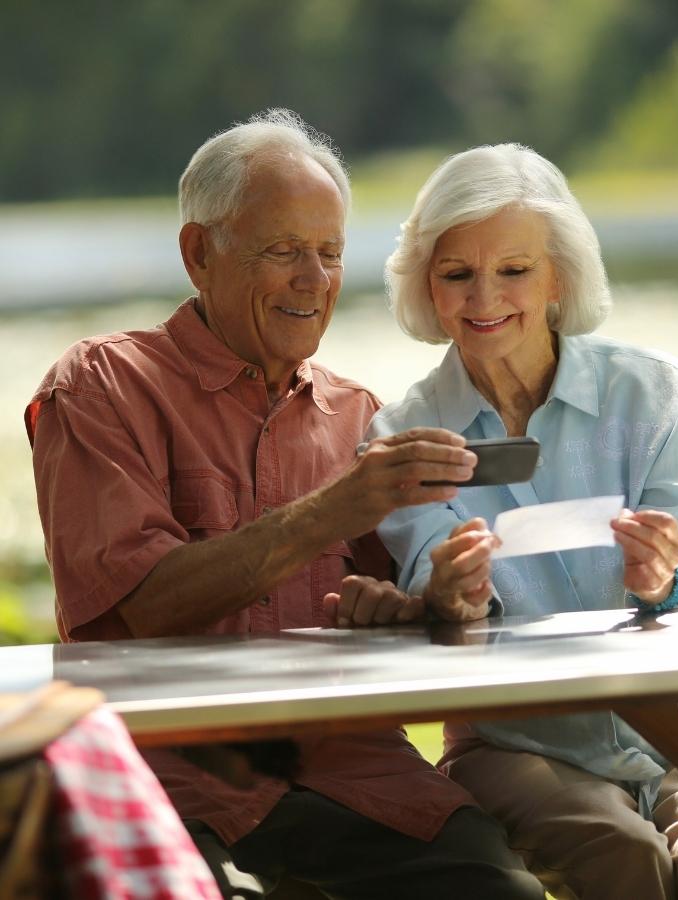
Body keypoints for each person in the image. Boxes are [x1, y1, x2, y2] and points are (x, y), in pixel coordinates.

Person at [25, 111, 545, 900]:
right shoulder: (101, 387)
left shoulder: (359, 414)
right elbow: (139, 605)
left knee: (497, 889)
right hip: (174, 778)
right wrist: (333, 511)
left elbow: (410, 607)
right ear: (200, 253)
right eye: (283, 251)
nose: (314, 279)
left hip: (358, 776)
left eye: (330, 254)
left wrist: (429, 598)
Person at [366, 143, 678, 900]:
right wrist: (454, 593)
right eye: (457, 273)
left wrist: (669, 575)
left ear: (559, 276)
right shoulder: (404, 433)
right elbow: (429, 578)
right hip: (521, 742)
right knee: (623, 855)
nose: (484, 296)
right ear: (428, 288)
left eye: (514, 270)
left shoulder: (653, 393)